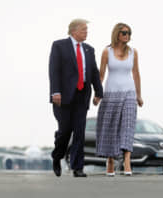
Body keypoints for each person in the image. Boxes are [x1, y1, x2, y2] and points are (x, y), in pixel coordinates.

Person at [49, 19, 103, 177]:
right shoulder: (59, 46)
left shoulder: (89, 49)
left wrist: (98, 92)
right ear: (73, 31)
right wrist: (55, 92)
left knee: (79, 132)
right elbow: (54, 70)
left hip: (82, 95)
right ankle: (57, 156)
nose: (86, 32)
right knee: (65, 131)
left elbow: (93, 72)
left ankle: (77, 167)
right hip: (63, 96)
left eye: (87, 29)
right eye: (83, 29)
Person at [95, 23, 143, 176]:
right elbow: (101, 75)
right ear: (117, 34)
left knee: (128, 126)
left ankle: (127, 161)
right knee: (111, 128)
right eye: (124, 32)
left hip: (129, 93)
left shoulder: (133, 52)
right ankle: (110, 160)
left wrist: (138, 95)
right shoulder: (106, 52)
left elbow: (136, 73)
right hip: (111, 94)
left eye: (129, 33)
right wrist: (97, 94)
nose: (127, 35)